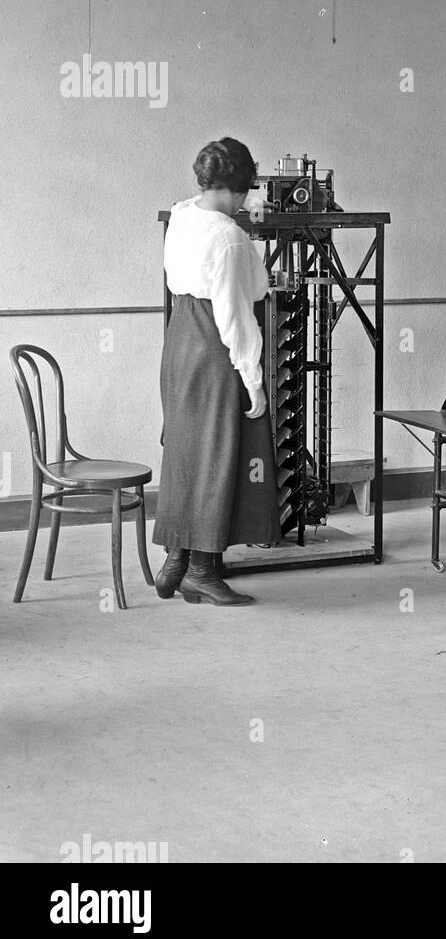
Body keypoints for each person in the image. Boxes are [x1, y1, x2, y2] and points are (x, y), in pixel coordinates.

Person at [152, 137, 280, 605]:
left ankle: (176, 563)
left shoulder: (181, 216)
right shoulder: (228, 236)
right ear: (238, 186)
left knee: (187, 453)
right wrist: (253, 378)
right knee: (221, 456)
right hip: (213, 346)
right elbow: (234, 315)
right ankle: (202, 572)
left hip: (179, 340)